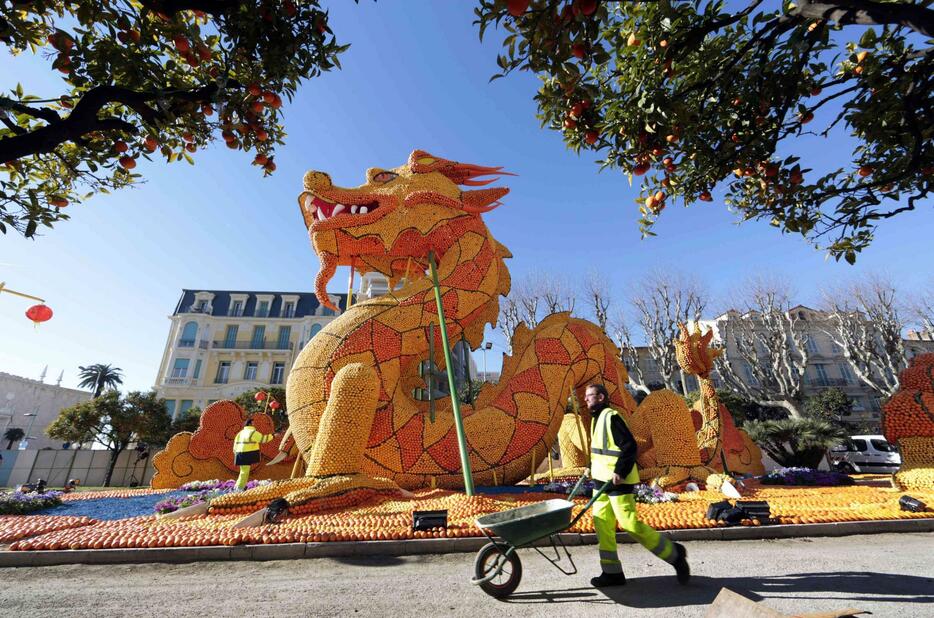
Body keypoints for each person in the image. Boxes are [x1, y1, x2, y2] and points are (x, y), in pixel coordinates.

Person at [584, 383, 690, 587]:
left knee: (629, 523)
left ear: (601, 398)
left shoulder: (611, 417)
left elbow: (629, 446)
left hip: (617, 482)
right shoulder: (596, 420)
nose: (586, 399)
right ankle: (612, 572)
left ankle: (674, 554)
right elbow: (601, 449)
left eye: (590, 396)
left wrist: (620, 472)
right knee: (602, 526)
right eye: (586, 396)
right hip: (601, 483)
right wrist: (590, 466)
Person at [233, 418, 274, 490]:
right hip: (246, 454)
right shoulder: (252, 432)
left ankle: (238, 486)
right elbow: (263, 439)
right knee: (244, 472)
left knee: (243, 472)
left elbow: (235, 445)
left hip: (240, 453)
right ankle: (239, 488)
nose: (254, 424)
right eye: (253, 423)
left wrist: (236, 453)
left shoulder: (240, 433)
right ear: (250, 424)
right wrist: (272, 436)